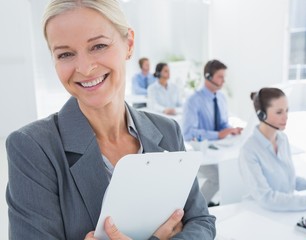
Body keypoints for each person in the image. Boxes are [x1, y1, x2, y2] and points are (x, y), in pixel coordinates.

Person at [5, 1, 216, 239]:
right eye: (65, 54)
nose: (84, 68)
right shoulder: (32, 148)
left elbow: (201, 221)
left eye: (98, 46)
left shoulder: (167, 130)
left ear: (129, 44)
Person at [239, 87, 306, 211]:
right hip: (261, 213)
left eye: (287, 110)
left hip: (284, 209)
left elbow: (288, 180)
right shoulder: (249, 151)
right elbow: (266, 198)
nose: (286, 117)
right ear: (261, 115)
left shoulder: (282, 139)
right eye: (279, 112)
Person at [182, 59, 242, 206]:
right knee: (217, 177)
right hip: (201, 153)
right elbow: (189, 133)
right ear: (208, 77)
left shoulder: (221, 97)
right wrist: (217, 135)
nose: (223, 81)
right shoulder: (193, 100)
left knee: (234, 169)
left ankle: (217, 205)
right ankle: (195, 210)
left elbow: (221, 124)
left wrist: (230, 130)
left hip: (218, 150)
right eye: (220, 77)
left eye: (224, 77)